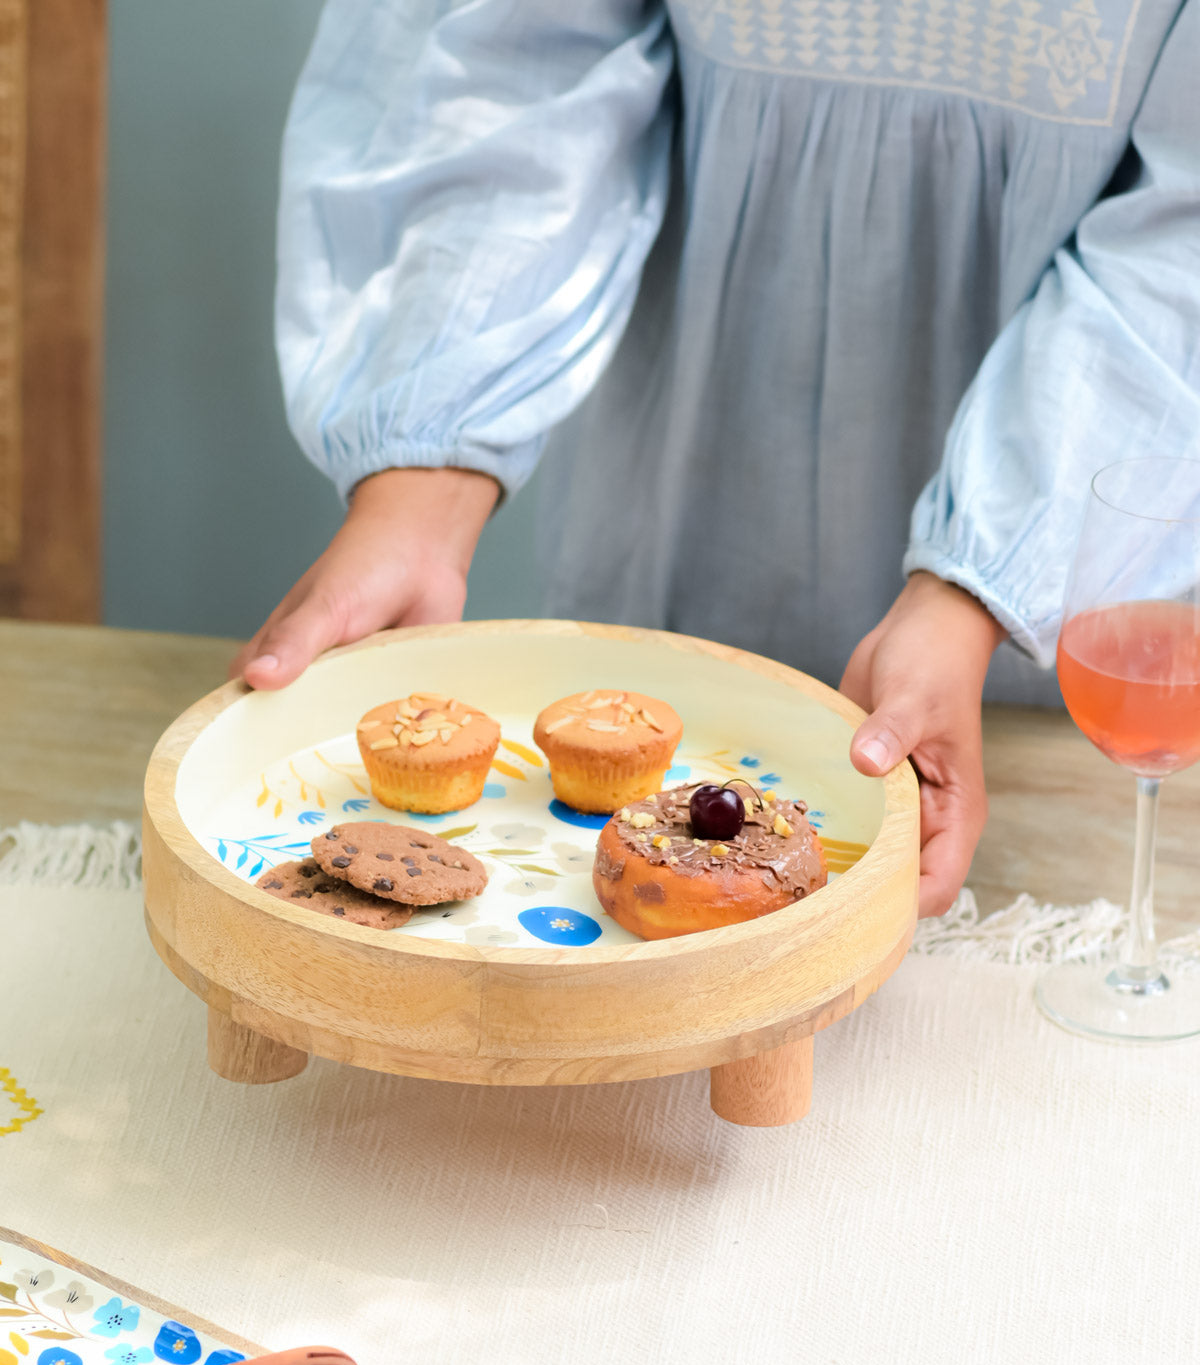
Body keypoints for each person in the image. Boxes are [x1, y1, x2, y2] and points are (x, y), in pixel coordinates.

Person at [233, 0, 1200, 918]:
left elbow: (1182, 232)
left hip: (1038, 628)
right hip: (686, 481)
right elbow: (509, 61)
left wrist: (974, 592)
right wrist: (424, 483)